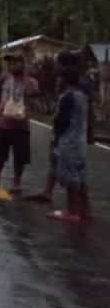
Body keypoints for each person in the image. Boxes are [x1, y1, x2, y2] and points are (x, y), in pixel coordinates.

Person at [28, 50, 95, 205]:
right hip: (75, 133)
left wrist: (58, 135)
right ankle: (49, 192)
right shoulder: (76, 81)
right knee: (59, 161)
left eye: (58, 62)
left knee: (69, 167)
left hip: (71, 135)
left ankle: (76, 207)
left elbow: (81, 110)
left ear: (63, 64)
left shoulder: (75, 83)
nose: (55, 66)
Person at [0, 53, 40, 194]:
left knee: (20, 157)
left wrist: (25, 76)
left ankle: (17, 183)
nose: (11, 66)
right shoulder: (4, 79)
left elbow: (32, 93)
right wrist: (0, 104)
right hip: (3, 124)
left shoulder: (31, 81)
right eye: (10, 63)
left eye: (15, 63)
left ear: (23, 64)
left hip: (21, 125)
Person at [48, 65, 91, 223]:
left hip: (68, 142)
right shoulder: (82, 96)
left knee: (70, 177)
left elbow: (61, 122)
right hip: (80, 143)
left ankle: (72, 212)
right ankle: (85, 210)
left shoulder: (67, 97)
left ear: (64, 80)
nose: (57, 80)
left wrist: (55, 139)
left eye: (59, 77)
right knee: (81, 177)